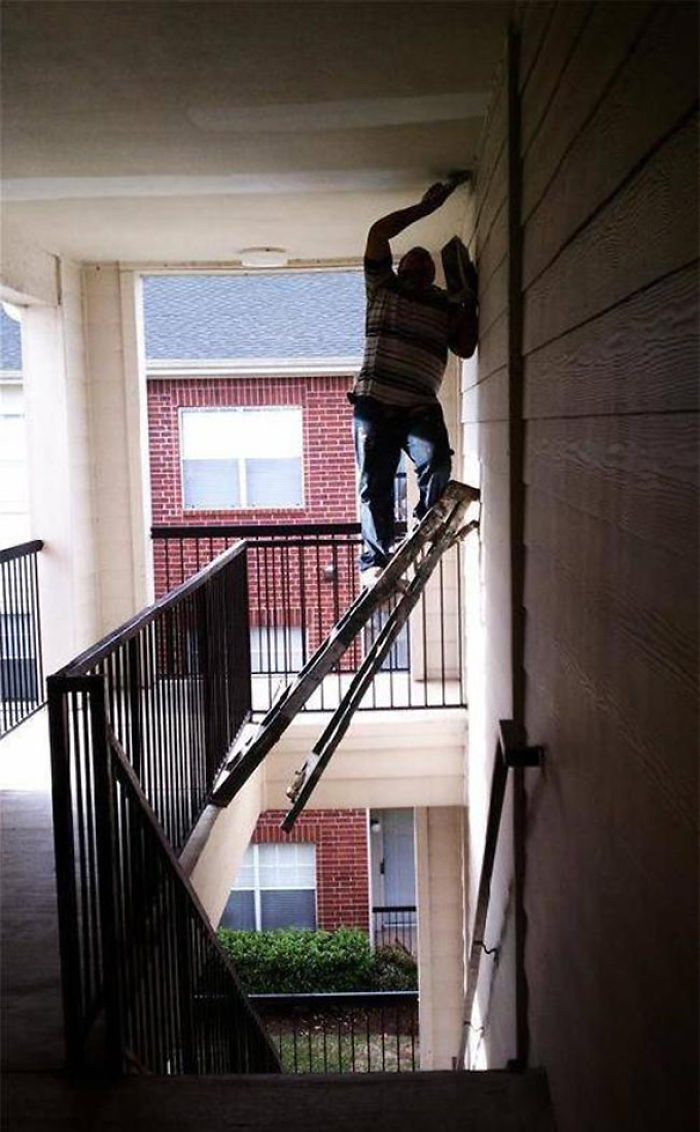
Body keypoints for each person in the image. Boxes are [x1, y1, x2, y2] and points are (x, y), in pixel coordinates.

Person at [349, 180, 478, 586]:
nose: (418, 267)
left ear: (432, 274)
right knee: (376, 484)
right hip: (376, 404)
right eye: (412, 262)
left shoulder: (443, 304)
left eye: (425, 265)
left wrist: (468, 301)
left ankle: (425, 523)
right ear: (399, 266)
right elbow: (377, 232)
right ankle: (374, 560)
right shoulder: (381, 288)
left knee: (437, 462)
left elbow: (467, 346)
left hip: (419, 406)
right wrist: (426, 208)